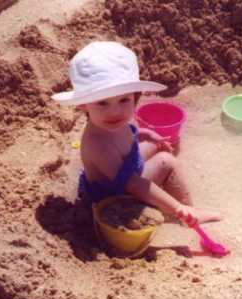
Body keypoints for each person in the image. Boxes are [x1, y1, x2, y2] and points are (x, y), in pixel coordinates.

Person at [52, 41, 221, 227]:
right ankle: (189, 213)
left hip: (127, 166)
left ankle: (183, 209)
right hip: (115, 193)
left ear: (134, 96)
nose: (115, 111)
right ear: (83, 104)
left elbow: (128, 135)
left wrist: (147, 134)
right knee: (166, 160)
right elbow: (134, 185)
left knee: (157, 146)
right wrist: (176, 207)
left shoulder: (114, 121)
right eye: (102, 103)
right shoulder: (97, 144)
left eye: (124, 99)